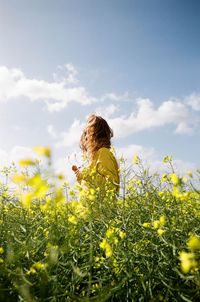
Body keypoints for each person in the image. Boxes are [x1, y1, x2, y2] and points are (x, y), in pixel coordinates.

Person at [72, 114, 120, 193]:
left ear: (95, 135)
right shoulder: (95, 157)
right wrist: (80, 178)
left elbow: (111, 186)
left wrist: (85, 175)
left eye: (87, 133)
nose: (85, 137)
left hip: (103, 205)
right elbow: (93, 188)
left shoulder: (103, 153)